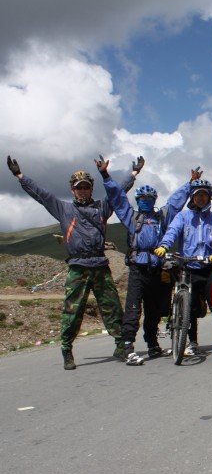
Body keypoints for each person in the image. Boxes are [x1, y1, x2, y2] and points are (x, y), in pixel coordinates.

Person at [6, 154, 144, 370]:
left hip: (100, 265)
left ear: (91, 188)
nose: (82, 190)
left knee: (113, 308)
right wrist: (20, 176)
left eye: (86, 187)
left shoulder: (102, 208)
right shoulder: (63, 209)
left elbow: (118, 192)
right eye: (79, 187)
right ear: (72, 189)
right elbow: (41, 195)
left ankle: (119, 345)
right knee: (73, 311)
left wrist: (134, 174)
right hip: (78, 267)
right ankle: (67, 349)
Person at [105, 163, 194, 359]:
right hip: (138, 267)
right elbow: (118, 199)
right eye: (142, 198)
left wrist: (190, 184)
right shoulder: (132, 217)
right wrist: (106, 176)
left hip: (158, 266)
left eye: (149, 198)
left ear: (154, 200)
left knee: (154, 310)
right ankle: (127, 346)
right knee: (134, 307)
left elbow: (175, 202)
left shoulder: (162, 217)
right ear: (137, 200)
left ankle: (152, 344)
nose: (146, 201)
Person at [154, 178, 212, 356]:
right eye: (197, 195)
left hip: (208, 267)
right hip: (188, 267)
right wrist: (164, 246)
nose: (201, 198)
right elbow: (172, 232)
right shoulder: (183, 216)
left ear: (209, 198)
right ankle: (192, 342)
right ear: (192, 197)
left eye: (204, 195)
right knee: (190, 307)